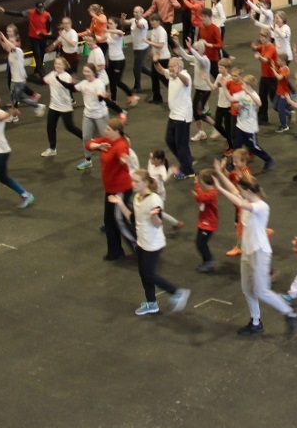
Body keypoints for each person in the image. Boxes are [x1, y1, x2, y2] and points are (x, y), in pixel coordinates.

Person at [211, 160, 297, 335]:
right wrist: (220, 174)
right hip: (247, 250)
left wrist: (218, 189)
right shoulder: (247, 197)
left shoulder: (261, 206)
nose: (239, 193)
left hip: (260, 252)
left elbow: (242, 203)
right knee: (247, 288)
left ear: (249, 191)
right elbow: (235, 190)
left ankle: (290, 314)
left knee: (261, 291)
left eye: (242, 191)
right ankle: (256, 321)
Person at [110, 170, 191, 316]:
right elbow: (132, 219)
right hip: (141, 243)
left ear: (146, 183)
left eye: (136, 182)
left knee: (149, 274)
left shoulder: (155, 200)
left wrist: (154, 217)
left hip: (153, 245)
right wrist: (121, 203)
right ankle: (151, 304)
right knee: (144, 274)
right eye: (132, 181)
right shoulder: (137, 198)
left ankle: (177, 292)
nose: (133, 184)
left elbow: (158, 224)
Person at [85, 118, 134, 261]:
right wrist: (97, 147)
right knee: (111, 221)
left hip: (120, 189)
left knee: (118, 221)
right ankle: (116, 251)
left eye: (108, 130)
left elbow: (123, 155)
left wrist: (124, 159)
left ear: (116, 132)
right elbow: (88, 143)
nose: (105, 131)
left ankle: (138, 247)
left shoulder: (120, 145)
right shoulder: (107, 140)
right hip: (111, 188)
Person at [0, 27, 45, 122]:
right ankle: (37, 106)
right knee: (17, 98)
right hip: (14, 79)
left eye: (12, 41)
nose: (9, 43)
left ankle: (15, 115)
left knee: (16, 98)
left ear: (17, 43)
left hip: (19, 80)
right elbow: (6, 47)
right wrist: (1, 40)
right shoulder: (11, 52)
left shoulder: (18, 51)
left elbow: (12, 47)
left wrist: (4, 37)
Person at [40, 57, 83, 158]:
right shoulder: (52, 74)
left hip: (65, 106)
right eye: (56, 64)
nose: (57, 66)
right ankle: (52, 149)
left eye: (59, 64)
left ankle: (87, 140)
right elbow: (42, 82)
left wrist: (62, 80)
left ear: (64, 66)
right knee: (50, 126)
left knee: (70, 127)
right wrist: (28, 79)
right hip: (54, 106)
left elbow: (70, 87)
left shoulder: (66, 76)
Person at [0, 1, 52, 81]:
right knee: (37, 54)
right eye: (39, 8)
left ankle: (37, 71)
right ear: (36, 8)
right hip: (33, 37)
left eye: (42, 8)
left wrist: (49, 31)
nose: (40, 10)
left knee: (42, 54)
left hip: (43, 37)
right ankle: (42, 74)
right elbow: (19, 13)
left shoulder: (47, 14)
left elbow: (50, 21)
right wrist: (5, 11)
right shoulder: (30, 12)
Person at [193, 169, 220, 272]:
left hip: (209, 222)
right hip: (204, 221)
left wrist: (196, 186)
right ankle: (206, 261)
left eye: (200, 181)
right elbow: (201, 199)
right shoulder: (208, 192)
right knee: (200, 242)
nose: (199, 182)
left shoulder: (212, 193)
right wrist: (197, 196)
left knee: (201, 243)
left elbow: (203, 198)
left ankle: (209, 260)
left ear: (204, 182)